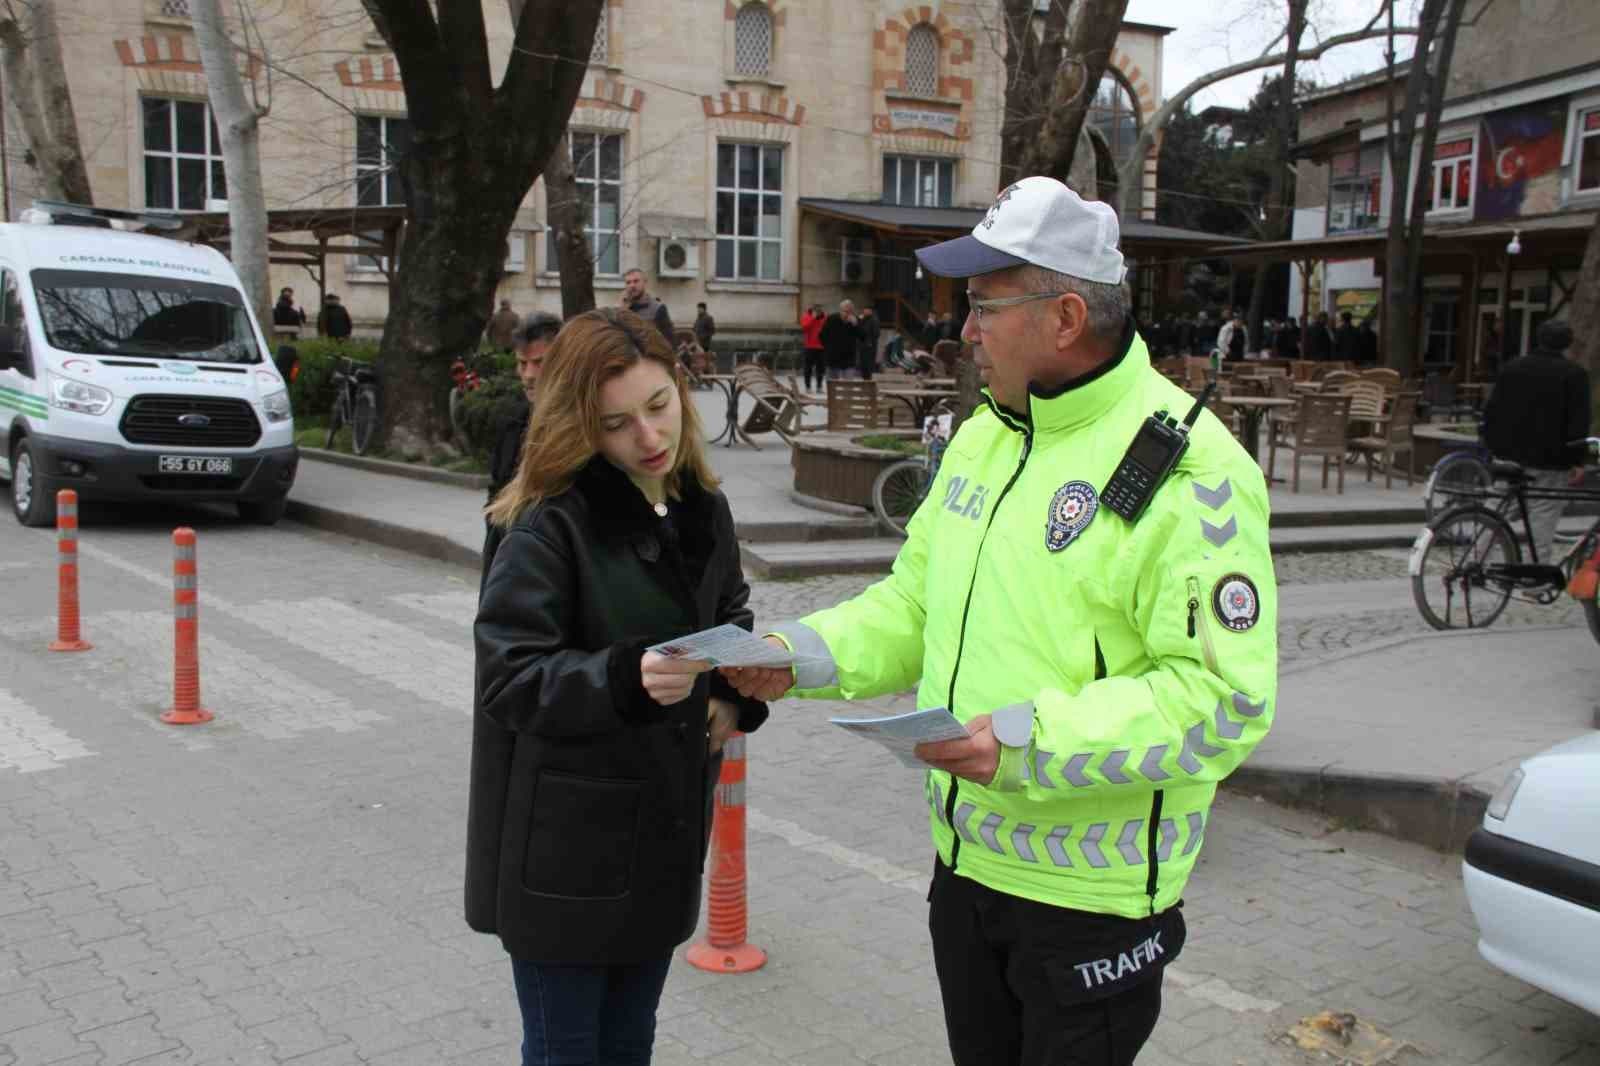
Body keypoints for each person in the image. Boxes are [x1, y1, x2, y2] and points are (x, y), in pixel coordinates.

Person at [723, 176, 1277, 1066]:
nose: (964, 331)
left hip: (1091, 905)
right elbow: (916, 600)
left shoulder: (1195, 473)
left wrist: (1027, 745)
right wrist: (799, 654)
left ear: (1065, 318)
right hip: (964, 869)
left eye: (984, 305)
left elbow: (1221, 699)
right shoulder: (985, 436)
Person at [471, 308, 769, 1066]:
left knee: (631, 1043)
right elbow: (509, 676)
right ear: (580, 425)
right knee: (568, 1051)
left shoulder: (702, 507)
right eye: (617, 423)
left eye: (660, 405)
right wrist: (622, 677)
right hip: (566, 856)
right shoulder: (547, 523)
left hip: (663, 836)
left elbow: (730, 610)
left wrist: (732, 694)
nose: (649, 435)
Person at [1481, 319, 1591, 567]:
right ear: (1567, 344)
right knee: (1543, 514)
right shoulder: (1574, 374)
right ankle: (1535, 571)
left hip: (1508, 454)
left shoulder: (1512, 368)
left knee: (1496, 507)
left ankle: (1477, 560)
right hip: (1550, 459)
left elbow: (1492, 409)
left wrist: (1493, 444)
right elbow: (1578, 423)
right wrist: (1579, 460)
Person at [486, 311, 562, 516]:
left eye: (539, 363)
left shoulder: (585, 425)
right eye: (522, 363)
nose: (529, 375)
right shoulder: (511, 423)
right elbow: (495, 494)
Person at [622, 268, 674, 343]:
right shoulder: (623, 309)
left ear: (645, 282)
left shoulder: (658, 308)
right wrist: (622, 309)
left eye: (636, 281)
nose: (632, 285)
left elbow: (669, 341)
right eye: (628, 282)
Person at [820, 300, 861, 382]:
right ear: (840, 310)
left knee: (848, 384)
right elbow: (822, 335)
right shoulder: (832, 318)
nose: (847, 314)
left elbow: (863, 337)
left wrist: (856, 325)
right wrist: (828, 348)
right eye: (845, 311)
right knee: (831, 383)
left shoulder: (856, 320)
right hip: (833, 356)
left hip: (849, 357)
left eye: (850, 311)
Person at [800, 304, 827, 391]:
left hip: (821, 346)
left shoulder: (825, 318)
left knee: (821, 368)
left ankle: (819, 386)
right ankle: (808, 386)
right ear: (813, 310)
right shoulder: (806, 316)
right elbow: (804, 328)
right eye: (817, 311)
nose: (819, 312)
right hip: (809, 346)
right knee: (808, 368)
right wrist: (813, 318)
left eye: (820, 310)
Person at [856, 305, 881, 380]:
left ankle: (868, 380)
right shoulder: (863, 319)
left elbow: (876, 333)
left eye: (867, 310)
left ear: (871, 311)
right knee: (863, 364)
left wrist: (870, 342)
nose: (864, 312)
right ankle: (865, 379)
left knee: (868, 364)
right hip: (862, 345)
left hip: (869, 346)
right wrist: (859, 320)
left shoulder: (874, 320)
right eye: (864, 310)